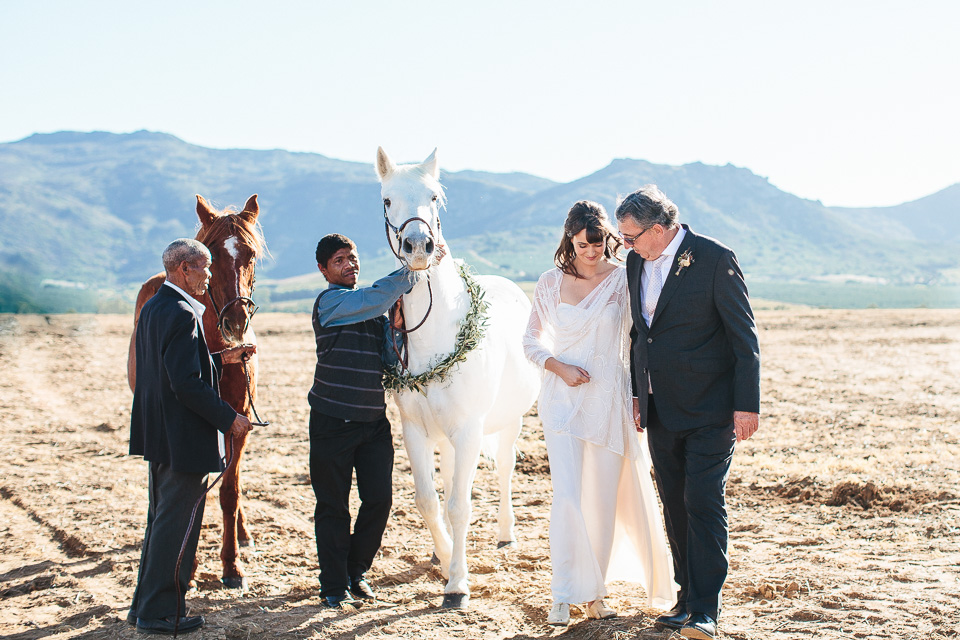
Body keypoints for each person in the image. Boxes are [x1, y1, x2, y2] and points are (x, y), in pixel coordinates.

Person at [615, 185, 761, 640]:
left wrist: (746, 405)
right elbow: (643, 335)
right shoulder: (638, 261)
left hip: (711, 409)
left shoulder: (715, 259)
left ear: (658, 230)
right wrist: (640, 393)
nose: (625, 246)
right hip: (659, 409)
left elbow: (744, 339)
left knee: (702, 501)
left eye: (630, 237)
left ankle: (706, 609)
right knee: (674, 505)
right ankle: (684, 596)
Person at [522, 201, 677, 627]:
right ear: (568, 240)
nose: (591, 252)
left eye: (598, 243)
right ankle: (562, 593)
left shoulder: (624, 278)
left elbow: (639, 341)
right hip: (561, 402)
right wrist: (560, 366)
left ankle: (596, 594)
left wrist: (637, 397)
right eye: (582, 244)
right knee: (568, 498)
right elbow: (531, 340)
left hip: (611, 400)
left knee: (603, 500)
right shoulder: (550, 282)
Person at [128, 238, 255, 635]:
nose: (211, 275)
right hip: (183, 436)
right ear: (184, 269)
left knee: (159, 522)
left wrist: (222, 359)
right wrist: (229, 418)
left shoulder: (155, 307)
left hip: (158, 434)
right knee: (176, 526)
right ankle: (160, 613)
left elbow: (173, 368)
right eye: (205, 268)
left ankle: (143, 607)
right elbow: (186, 385)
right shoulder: (184, 312)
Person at [308, 233, 423, 609]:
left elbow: (390, 361)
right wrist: (411, 270)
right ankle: (333, 586)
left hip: (374, 422)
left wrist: (397, 329)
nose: (349, 265)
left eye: (353, 258)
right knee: (333, 506)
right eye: (340, 260)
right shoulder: (329, 302)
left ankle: (355, 572)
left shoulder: (373, 313)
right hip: (331, 420)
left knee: (379, 501)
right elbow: (370, 298)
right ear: (324, 269)